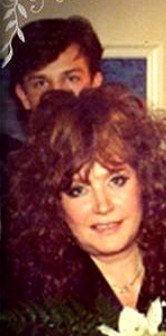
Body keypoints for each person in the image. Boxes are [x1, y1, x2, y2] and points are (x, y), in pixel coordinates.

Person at [1, 83, 166, 336]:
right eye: (78, 190)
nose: (103, 205)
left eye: (117, 180)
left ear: (146, 182)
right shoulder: (28, 305)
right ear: (52, 202)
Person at [0, 16, 103, 207]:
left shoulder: (128, 161)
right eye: (40, 83)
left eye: (71, 78)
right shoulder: (8, 176)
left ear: (95, 84)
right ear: (23, 95)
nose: (56, 93)